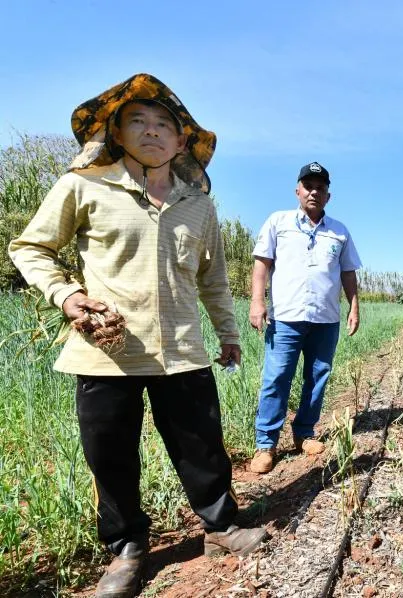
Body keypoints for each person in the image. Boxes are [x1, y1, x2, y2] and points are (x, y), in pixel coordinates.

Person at [8, 73, 267, 598]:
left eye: (164, 125)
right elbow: (30, 247)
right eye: (137, 121)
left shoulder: (199, 204)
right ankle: (126, 549)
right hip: (108, 353)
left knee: (201, 446)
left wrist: (229, 332)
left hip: (182, 350)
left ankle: (220, 527)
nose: (152, 131)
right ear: (115, 133)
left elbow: (213, 277)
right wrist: (66, 295)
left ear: (182, 141)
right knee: (110, 454)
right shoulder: (84, 186)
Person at [248, 162, 362, 474]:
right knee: (276, 378)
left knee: (318, 377)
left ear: (328, 196)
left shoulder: (339, 232)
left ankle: (304, 433)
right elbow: (262, 264)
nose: (314, 192)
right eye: (308, 186)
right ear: (297, 190)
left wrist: (354, 307)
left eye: (320, 188)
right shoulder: (278, 222)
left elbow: (348, 273)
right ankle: (266, 444)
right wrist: (257, 301)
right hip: (286, 317)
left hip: (325, 319)